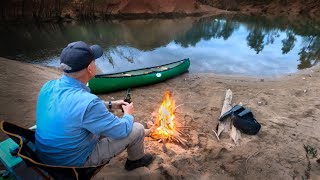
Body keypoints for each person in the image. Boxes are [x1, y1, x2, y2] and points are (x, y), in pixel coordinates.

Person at [35, 41, 153, 171]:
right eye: (94, 61)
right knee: (137, 128)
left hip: (47, 157)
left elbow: (76, 108)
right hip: (72, 165)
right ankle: (135, 162)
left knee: (105, 121)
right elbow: (122, 130)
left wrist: (111, 104)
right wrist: (128, 114)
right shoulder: (89, 103)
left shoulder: (48, 86)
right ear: (90, 68)